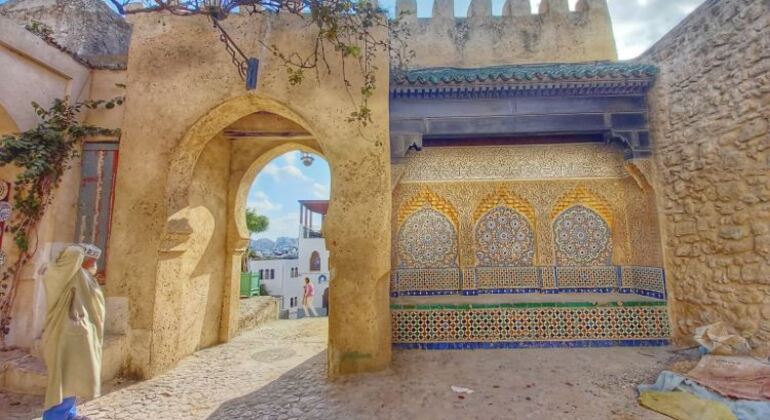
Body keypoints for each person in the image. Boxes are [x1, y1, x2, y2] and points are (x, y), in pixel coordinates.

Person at [40, 244, 105, 420]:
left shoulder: (80, 276)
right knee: (62, 380)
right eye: (91, 260)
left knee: (73, 376)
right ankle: (55, 417)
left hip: (75, 338)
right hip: (63, 337)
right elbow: (74, 254)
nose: (94, 264)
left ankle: (69, 414)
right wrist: (81, 251)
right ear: (79, 260)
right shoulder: (65, 274)